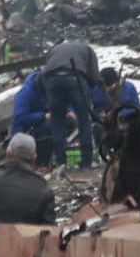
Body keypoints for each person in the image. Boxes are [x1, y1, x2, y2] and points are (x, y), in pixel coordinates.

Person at [37, 37, 103, 167]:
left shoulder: (55, 50)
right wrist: (87, 92)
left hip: (52, 81)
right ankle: (87, 162)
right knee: (84, 120)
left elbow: (44, 73)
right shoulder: (88, 50)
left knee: (57, 121)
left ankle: (61, 162)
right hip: (74, 77)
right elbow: (94, 76)